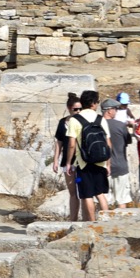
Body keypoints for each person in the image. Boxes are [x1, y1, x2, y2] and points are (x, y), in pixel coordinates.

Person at [66, 90, 112, 222]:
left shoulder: (75, 120)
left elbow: (71, 145)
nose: (97, 104)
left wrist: (69, 162)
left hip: (83, 163)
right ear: (93, 103)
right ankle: (106, 221)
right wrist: (108, 164)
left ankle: (91, 224)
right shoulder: (101, 119)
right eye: (97, 102)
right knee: (100, 194)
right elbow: (108, 143)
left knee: (87, 195)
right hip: (101, 161)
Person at [51, 93, 84, 222]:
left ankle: (86, 219)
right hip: (67, 162)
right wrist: (55, 160)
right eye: (75, 109)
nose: (78, 111)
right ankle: (73, 220)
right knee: (72, 193)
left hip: (81, 161)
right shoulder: (62, 123)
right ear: (69, 108)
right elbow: (59, 142)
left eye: (80, 109)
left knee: (82, 190)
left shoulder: (82, 121)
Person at [102, 98, 133, 209]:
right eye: (115, 109)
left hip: (103, 167)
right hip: (120, 166)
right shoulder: (120, 126)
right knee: (122, 200)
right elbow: (128, 140)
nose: (116, 111)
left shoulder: (97, 125)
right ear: (109, 111)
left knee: (103, 201)